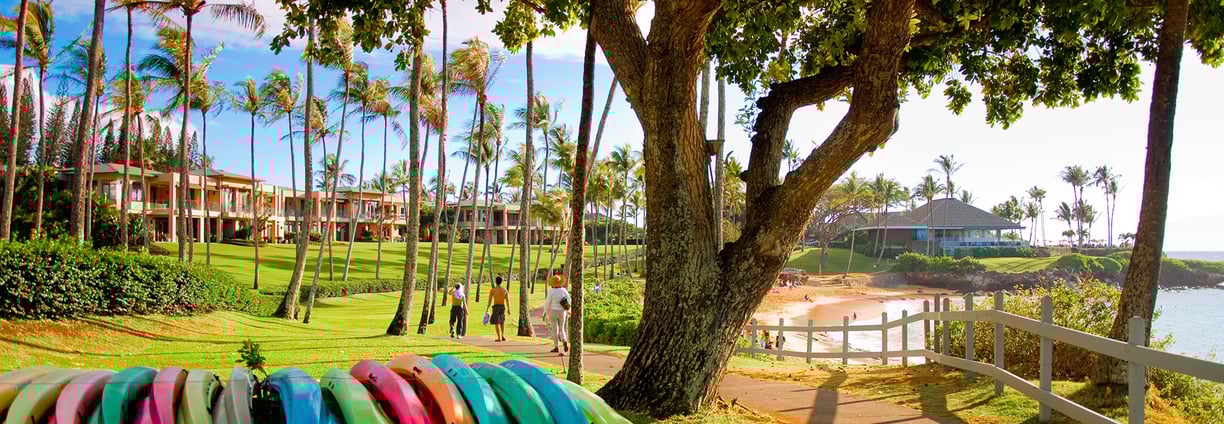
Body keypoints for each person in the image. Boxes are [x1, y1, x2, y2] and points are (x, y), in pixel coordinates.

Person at [543, 272, 570, 355]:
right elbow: (569, 300)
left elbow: (547, 303)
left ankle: (556, 347)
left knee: (555, 330)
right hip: (562, 312)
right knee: (562, 328)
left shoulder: (551, 291)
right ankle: (564, 340)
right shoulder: (564, 290)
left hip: (553, 311)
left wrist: (544, 313)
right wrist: (568, 310)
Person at [486, 276, 509, 342]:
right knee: (502, 322)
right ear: (501, 282)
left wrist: (487, 308)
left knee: (497, 322)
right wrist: (508, 309)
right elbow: (507, 300)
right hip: (502, 307)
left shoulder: (493, 290)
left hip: (496, 307)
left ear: (496, 282)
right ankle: (502, 335)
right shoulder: (505, 290)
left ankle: (499, 338)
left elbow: (490, 301)